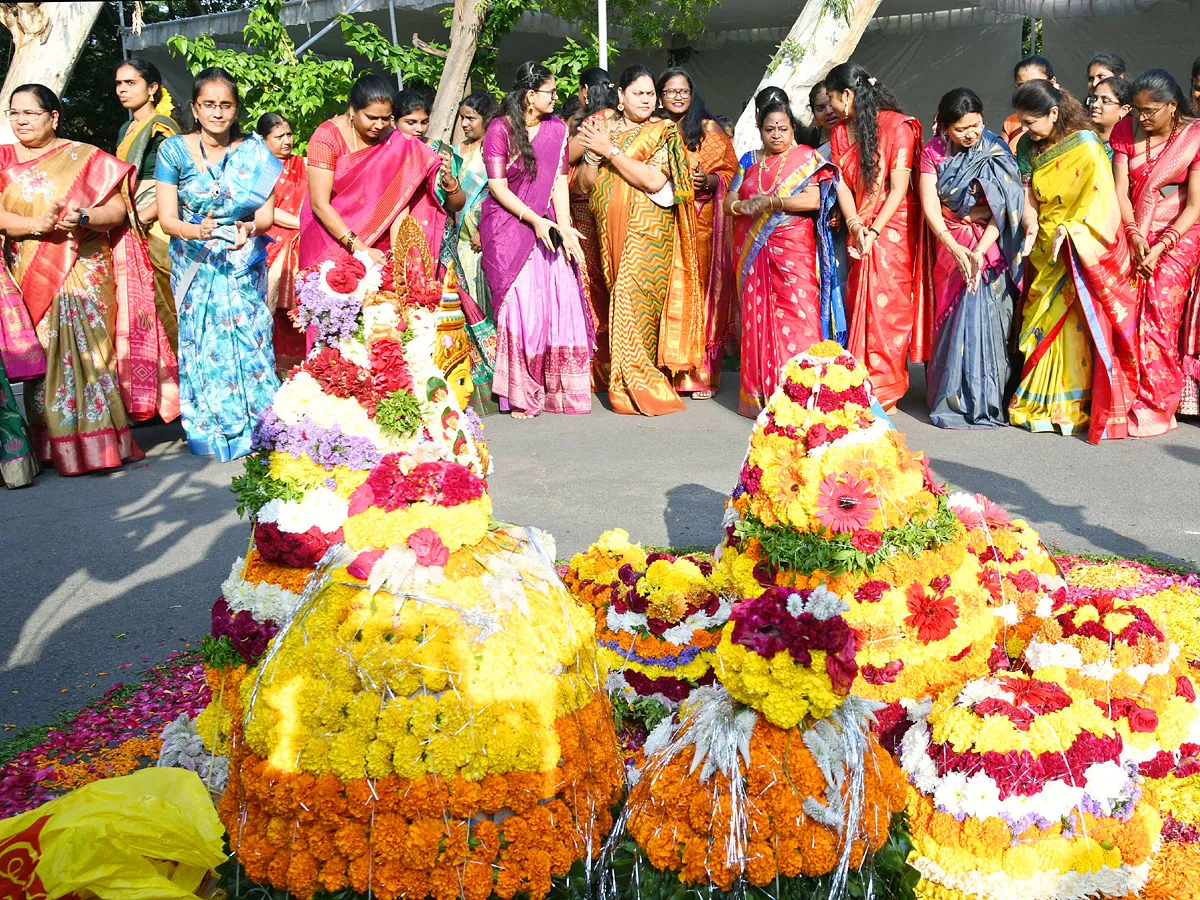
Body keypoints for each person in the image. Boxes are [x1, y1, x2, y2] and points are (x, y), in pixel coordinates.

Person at [0, 84, 157, 474]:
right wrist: (33, 224)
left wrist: (84, 215)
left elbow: (119, 210)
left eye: (30, 113)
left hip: (83, 269)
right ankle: (56, 446)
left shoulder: (85, 158)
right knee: (48, 356)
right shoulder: (1, 160)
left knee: (91, 355)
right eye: (14, 113)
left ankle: (102, 443)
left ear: (54, 116)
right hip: (29, 272)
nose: (21, 121)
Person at [155, 67, 282, 461]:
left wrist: (246, 226)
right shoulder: (172, 151)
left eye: (225, 105)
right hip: (196, 263)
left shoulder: (255, 151)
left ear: (236, 109)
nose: (217, 113)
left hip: (242, 261)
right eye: (208, 105)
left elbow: (266, 215)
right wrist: (199, 232)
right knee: (204, 340)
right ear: (194, 108)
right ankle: (211, 424)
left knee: (251, 335)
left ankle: (261, 423)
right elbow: (167, 219)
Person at [1009, 79, 1135, 442]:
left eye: (1031, 121)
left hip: (1074, 248)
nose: (1025, 128)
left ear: (1053, 113)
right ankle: (1035, 401)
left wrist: (1071, 230)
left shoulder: (1086, 146)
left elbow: (1101, 201)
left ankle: (1068, 405)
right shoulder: (1028, 146)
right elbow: (1028, 193)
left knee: (1071, 329)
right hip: (1043, 246)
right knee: (1038, 320)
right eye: (1021, 121)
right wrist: (1031, 221)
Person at [576, 64, 703, 416]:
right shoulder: (603, 128)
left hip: (648, 233)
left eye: (650, 94)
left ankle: (640, 384)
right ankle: (621, 377)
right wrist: (592, 153)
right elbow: (584, 185)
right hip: (607, 230)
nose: (646, 100)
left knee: (634, 299)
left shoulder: (662, 131)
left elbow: (652, 180)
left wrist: (611, 152)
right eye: (639, 93)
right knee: (616, 296)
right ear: (620, 96)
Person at [479, 62, 593, 418]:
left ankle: (556, 391)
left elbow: (559, 181)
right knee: (521, 310)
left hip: (546, 227)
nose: (557, 98)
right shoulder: (499, 129)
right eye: (551, 92)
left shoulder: (557, 129)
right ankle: (521, 393)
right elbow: (497, 188)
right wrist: (535, 220)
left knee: (549, 305)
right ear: (531, 96)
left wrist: (564, 225)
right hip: (507, 227)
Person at [726, 99, 842, 418]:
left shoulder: (806, 157)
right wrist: (742, 208)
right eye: (769, 129)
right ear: (760, 132)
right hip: (755, 248)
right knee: (757, 315)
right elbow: (730, 199)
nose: (776, 134)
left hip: (794, 246)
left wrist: (773, 203)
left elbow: (814, 199)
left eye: (782, 128)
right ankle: (762, 393)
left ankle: (803, 392)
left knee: (800, 313)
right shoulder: (749, 160)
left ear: (792, 130)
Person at [919, 88, 1024, 429]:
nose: (970, 134)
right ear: (945, 127)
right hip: (949, 246)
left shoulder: (995, 149)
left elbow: (1005, 208)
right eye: (961, 128)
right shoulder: (932, 152)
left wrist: (978, 250)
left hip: (987, 247)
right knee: (952, 319)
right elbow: (930, 205)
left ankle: (987, 401)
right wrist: (953, 246)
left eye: (975, 125)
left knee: (989, 321)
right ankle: (950, 398)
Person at [827, 62, 924, 410]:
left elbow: (898, 188)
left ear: (848, 95)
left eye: (833, 99)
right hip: (860, 226)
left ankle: (887, 387)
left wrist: (874, 230)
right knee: (859, 303)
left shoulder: (899, 128)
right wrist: (855, 225)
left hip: (892, 226)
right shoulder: (839, 133)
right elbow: (841, 183)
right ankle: (860, 378)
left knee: (888, 307)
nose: (832, 107)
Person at [1111, 69, 1200, 436]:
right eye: (1137, 110)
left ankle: (1158, 404)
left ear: (1172, 105)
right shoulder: (1124, 131)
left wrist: (1162, 244)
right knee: (1122, 303)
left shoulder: (1194, 136)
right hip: (1133, 229)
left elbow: (1195, 204)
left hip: (1181, 232)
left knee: (1160, 306)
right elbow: (1121, 189)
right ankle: (1125, 395)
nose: (1142, 118)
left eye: (1150, 111)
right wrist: (1132, 234)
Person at [299, 75, 449, 281]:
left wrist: (399, 257)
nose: (380, 125)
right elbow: (319, 204)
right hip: (329, 240)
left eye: (386, 118)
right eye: (372, 118)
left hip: (379, 247)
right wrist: (360, 249)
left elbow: (400, 201)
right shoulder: (327, 137)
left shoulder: (396, 142)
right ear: (352, 110)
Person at [657, 67, 738, 399]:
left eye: (683, 91)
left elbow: (731, 170)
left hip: (702, 225)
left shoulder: (708, 130)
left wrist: (711, 182)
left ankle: (702, 374)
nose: (678, 97)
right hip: (663, 222)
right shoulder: (654, 129)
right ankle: (670, 371)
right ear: (660, 97)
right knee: (668, 296)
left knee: (701, 296)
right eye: (671, 91)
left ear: (692, 95)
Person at [114, 57, 181, 355]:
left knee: (166, 296)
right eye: (118, 83)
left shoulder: (163, 127)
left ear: (152, 87)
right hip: (129, 218)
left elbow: (179, 182)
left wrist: (142, 216)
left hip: (155, 221)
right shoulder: (127, 129)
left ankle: (180, 363)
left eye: (131, 83)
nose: (122, 90)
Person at [441, 91, 500, 415]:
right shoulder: (452, 152)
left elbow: (498, 193)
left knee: (484, 309)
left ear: (486, 120)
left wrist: (482, 227)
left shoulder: (492, 151)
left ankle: (493, 384)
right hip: (454, 241)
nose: (464, 124)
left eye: (471, 118)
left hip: (480, 243)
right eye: (462, 117)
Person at [568, 68, 618, 387]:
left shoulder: (593, 122)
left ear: (585, 91)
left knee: (592, 284)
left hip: (587, 209)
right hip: (617, 209)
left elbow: (563, 156)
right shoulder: (621, 119)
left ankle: (598, 364)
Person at [256, 112, 307, 371]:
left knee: (304, 310)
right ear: (264, 140)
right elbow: (268, 211)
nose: (287, 141)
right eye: (279, 136)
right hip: (273, 245)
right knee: (274, 312)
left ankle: (303, 367)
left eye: (289, 134)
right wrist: (302, 223)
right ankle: (274, 367)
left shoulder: (303, 164)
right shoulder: (264, 169)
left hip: (304, 246)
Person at [1002, 55, 1056, 150]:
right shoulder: (1011, 122)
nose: (1028, 92)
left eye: (1035, 84)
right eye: (1021, 86)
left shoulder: (1072, 127)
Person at [1087, 75, 1133, 152]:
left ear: (1124, 110)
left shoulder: (1124, 150)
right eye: (1094, 99)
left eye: (1106, 101)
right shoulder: (1081, 139)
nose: (1095, 105)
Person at [807, 81, 840, 152]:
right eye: (820, 108)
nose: (828, 111)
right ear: (814, 113)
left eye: (832, 104)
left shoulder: (856, 133)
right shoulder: (813, 138)